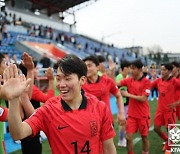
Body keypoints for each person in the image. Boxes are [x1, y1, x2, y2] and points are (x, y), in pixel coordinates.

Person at [6, 55, 117, 154]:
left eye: (67, 78)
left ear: (82, 80)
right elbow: (18, 133)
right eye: (58, 79)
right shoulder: (49, 109)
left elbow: (109, 148)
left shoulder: (100, 107)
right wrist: (14, 99)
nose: (61, 84)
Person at [116, 60, 151, 154]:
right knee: (128, 137)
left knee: (144, 137)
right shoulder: (129, 80)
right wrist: (111, 72)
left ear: (140, 69)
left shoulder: (146, 82)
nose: (131, 70)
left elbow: (143, 98)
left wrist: (127, 95)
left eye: (133, 68)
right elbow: (116, 83)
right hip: (132, 115)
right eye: (130, 68)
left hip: (143, 115)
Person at [82, 55, 126, 125]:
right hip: (89, 123)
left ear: (97, 67)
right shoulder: (80, 84)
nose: (87, 69)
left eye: (89, 66)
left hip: (106, 120)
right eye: (85, 67)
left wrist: (121, 113)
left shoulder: (107, 81)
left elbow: (118, 96)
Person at [151, 63, 180, 154]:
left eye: (164, 70)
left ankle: (169, 148)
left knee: (170, 129)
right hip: (160, 109)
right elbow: (149, 86)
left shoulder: (175, 81)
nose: (162, 71)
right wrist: (153, 78)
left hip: (170, 110)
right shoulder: (158, 81)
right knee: (156, 128)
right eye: (161, 70)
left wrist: (177, 103)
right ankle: (167, 140)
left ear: (170, 71)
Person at [115, 61, 130, 147]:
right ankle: (121, 140)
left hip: (127, 102)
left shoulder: (127, 77)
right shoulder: (119, 77)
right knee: (123, 122)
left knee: (125, 122)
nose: (128, 70)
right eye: (127, 68)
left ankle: (122, 139)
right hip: (122, 103)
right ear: (123, 69)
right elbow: (116, 90)